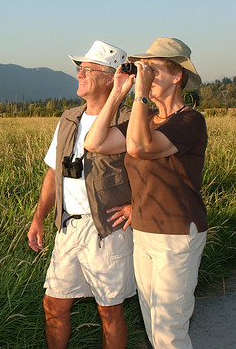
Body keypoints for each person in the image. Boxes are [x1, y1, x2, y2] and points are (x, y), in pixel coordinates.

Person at [83, 37, 208, 349]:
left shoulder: (190, 121)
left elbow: (140, 148)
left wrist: (139, 95)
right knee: (154, 329)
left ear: (178, 75)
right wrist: (117, 93)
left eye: (154, 69)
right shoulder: (148, 119)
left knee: (170, 332)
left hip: (177, 233)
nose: (147, 75)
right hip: (144, 230)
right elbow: (95, 142)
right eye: (145, 70)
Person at [27, 40, 136, 349]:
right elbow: (53, 172)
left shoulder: (128, 120)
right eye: (79, 68)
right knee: (54, 305)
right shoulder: (69, 119)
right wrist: (39, 220)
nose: (79, 74)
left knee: (110, 311)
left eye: (88, 69)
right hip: (69, 226)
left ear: (111, 77)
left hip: (107, 228)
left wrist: (136, 206)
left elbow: (152, 172)